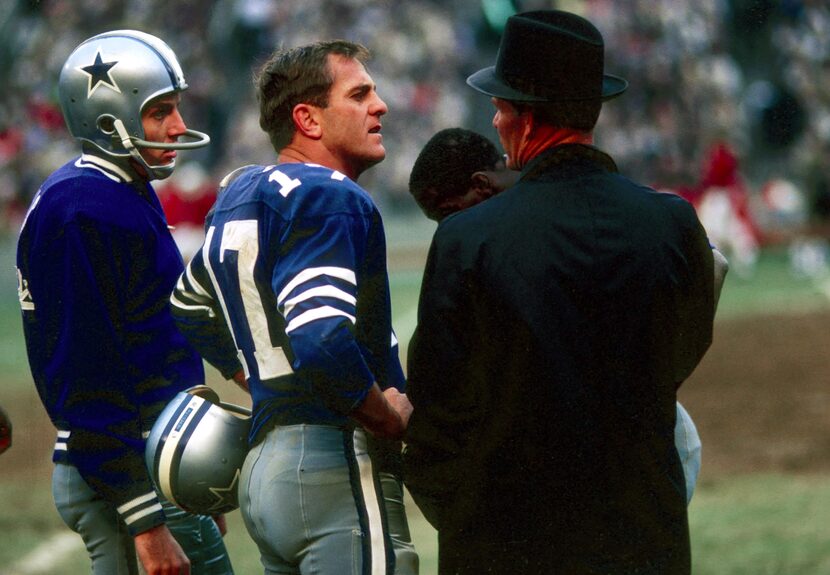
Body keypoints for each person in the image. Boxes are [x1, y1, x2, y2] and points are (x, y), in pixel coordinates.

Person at [403, 11, 718, 574]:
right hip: (645, 536)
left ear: (524, 118)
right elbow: (684, 352)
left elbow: (439, 405)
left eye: (500, 108)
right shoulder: (672, 222)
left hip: (507, 541)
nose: (495, 124)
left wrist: (460, 513)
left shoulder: (468, 237)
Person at [169, 40, 417, 574]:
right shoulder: (327, 193)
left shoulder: (238, 196)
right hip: (331, 462)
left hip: (265, 468)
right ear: (308, 119)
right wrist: (386, 418)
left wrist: (256, 374)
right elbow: (321, 336)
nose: (381, 106)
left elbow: (186, 302)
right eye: (360, 94)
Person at [408, 127, 726, 506]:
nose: (445, 227)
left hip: (548, 459)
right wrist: (658, 381)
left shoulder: (478, 242)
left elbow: (443, 380)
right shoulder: (635, 204)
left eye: (445, 213)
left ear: (480, 185)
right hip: (652, 436)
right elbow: (713, 269)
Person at [16, 30, 233, 575]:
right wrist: (146, 517)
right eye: (161, 112)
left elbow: (152, 337)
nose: (179, 126)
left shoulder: (117, 190)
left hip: (153, 460)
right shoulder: (82, 207)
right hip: (125, 469)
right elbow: (87, 373)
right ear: (108, 118)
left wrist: (190, 472)